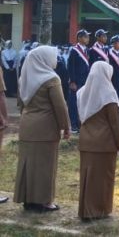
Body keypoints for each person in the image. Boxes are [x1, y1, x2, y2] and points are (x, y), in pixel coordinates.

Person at [14, 46, 70, 212]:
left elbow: (20, 104)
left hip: (27, 125)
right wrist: (66, 127)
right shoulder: (51, 79)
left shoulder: (24, 78)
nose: (55, 59)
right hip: (46, 128)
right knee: (45, 165)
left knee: (27, 165)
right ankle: (44, 201)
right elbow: (60, 107)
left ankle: (28, 200)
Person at [76, 62, 119, 220]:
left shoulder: (82, 92)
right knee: (102, 179)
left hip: (86, 140)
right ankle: (98, 210)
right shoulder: (108, 94)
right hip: (104, 143)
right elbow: (115, 123)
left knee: (87, 177)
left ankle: (85, 209)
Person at [68, 30, 91, 133]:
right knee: (74, 103)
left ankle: (80, 123)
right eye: (86, 37)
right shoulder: (74, 50)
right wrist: (72, 81)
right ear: (80, 38)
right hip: (76, 81)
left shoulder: (86, 50)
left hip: (85, 81)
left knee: (82, 103)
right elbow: (70, 67)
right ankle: (73, 125)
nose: (88, 39)